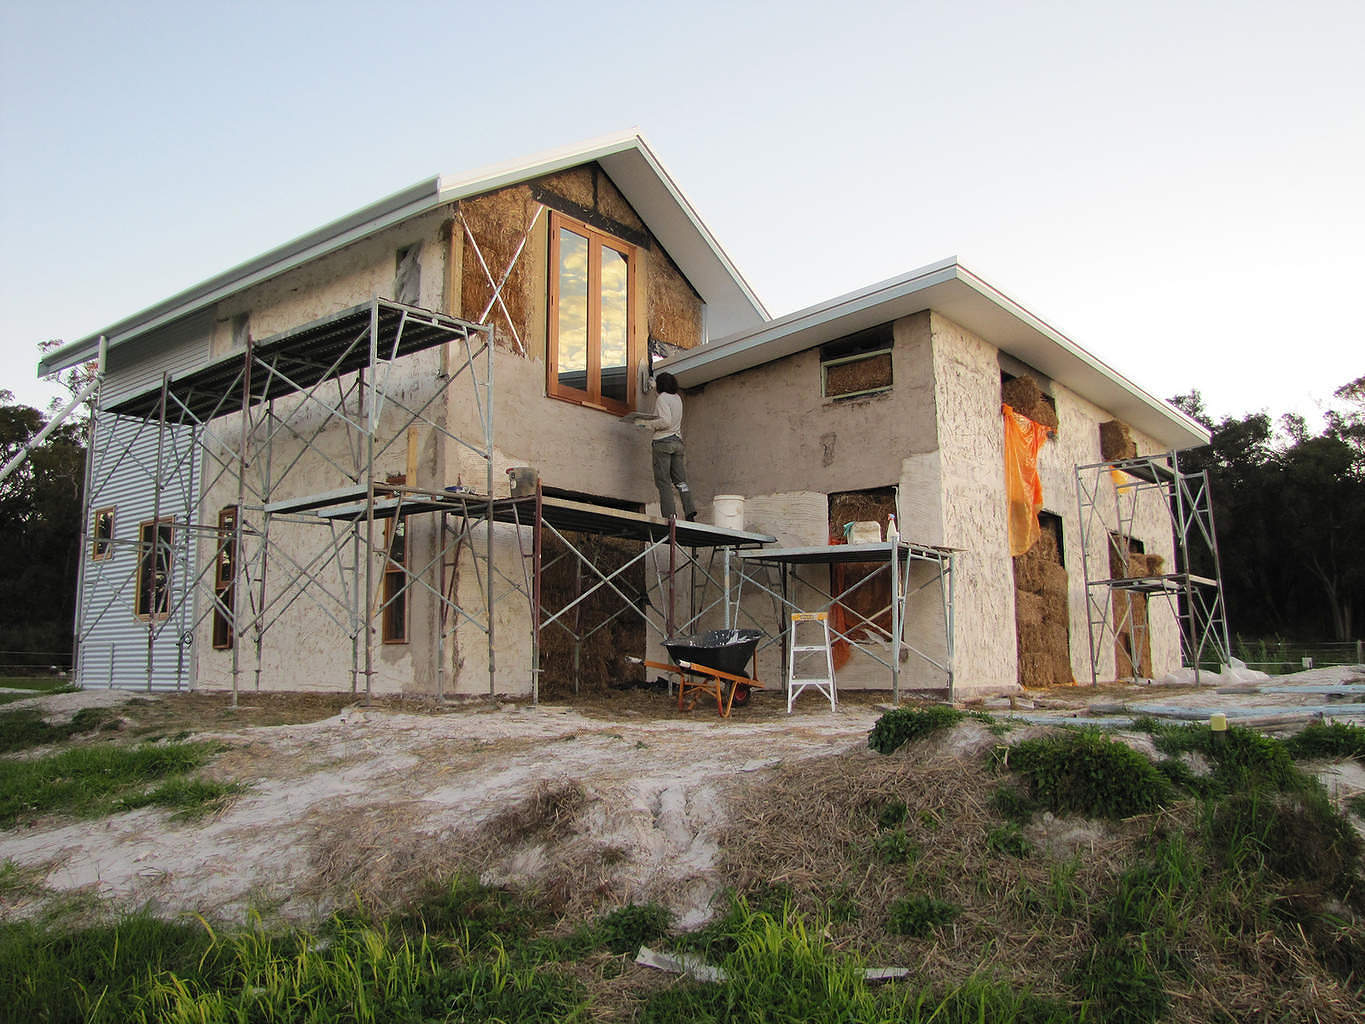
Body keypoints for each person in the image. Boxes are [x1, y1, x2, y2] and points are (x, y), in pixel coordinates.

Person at [636, 372, 697, 521]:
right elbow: (667, 406)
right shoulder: (677, 398)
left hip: (663, 443)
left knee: (664, 482)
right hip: (677, 443)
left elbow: (665, 421)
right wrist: (654, 387)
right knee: (681, 481)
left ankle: (670, 515)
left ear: (661, 385)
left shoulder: (662, 399)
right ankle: (690, 510)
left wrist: (646, 423)